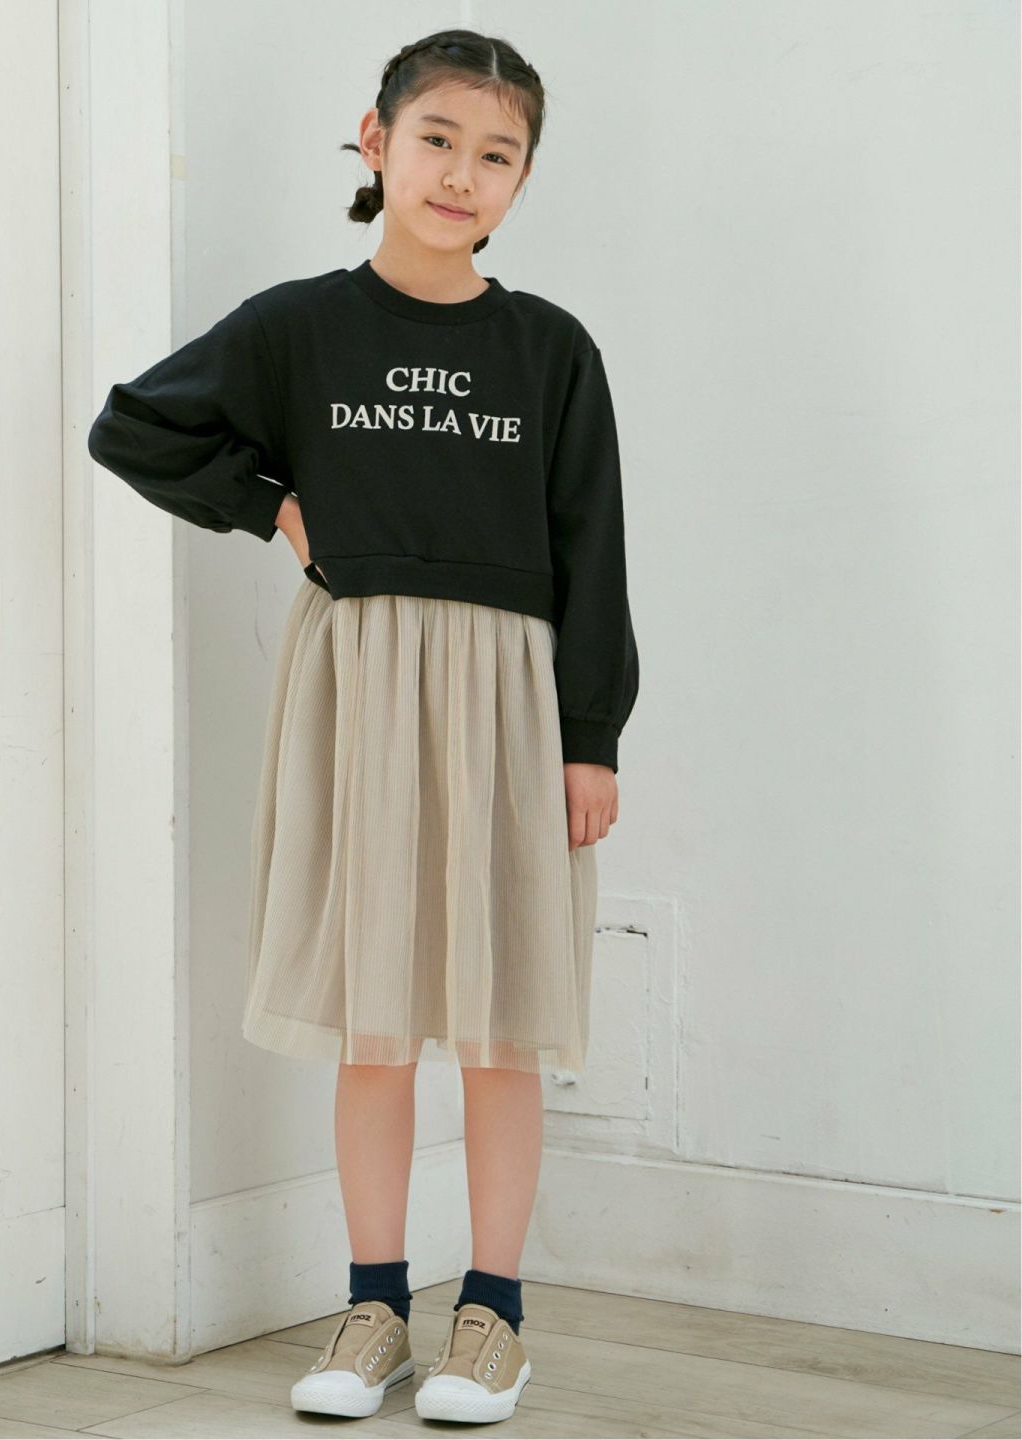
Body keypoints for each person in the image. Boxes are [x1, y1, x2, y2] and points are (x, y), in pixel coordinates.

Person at [86, 26, 639, 1425]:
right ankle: (375, 1311)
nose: (462, 174)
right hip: (362, 682)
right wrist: (272, 505)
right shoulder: (299, 327)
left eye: (497, 155)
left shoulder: (549, 348)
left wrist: (590, 737)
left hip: (511, 695)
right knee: (374, 1023)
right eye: (438, 139)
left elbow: (594, 548)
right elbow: (134, 427)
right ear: (377, 141)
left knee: (505, 1024)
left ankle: (492, 1319)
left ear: (522, 180)